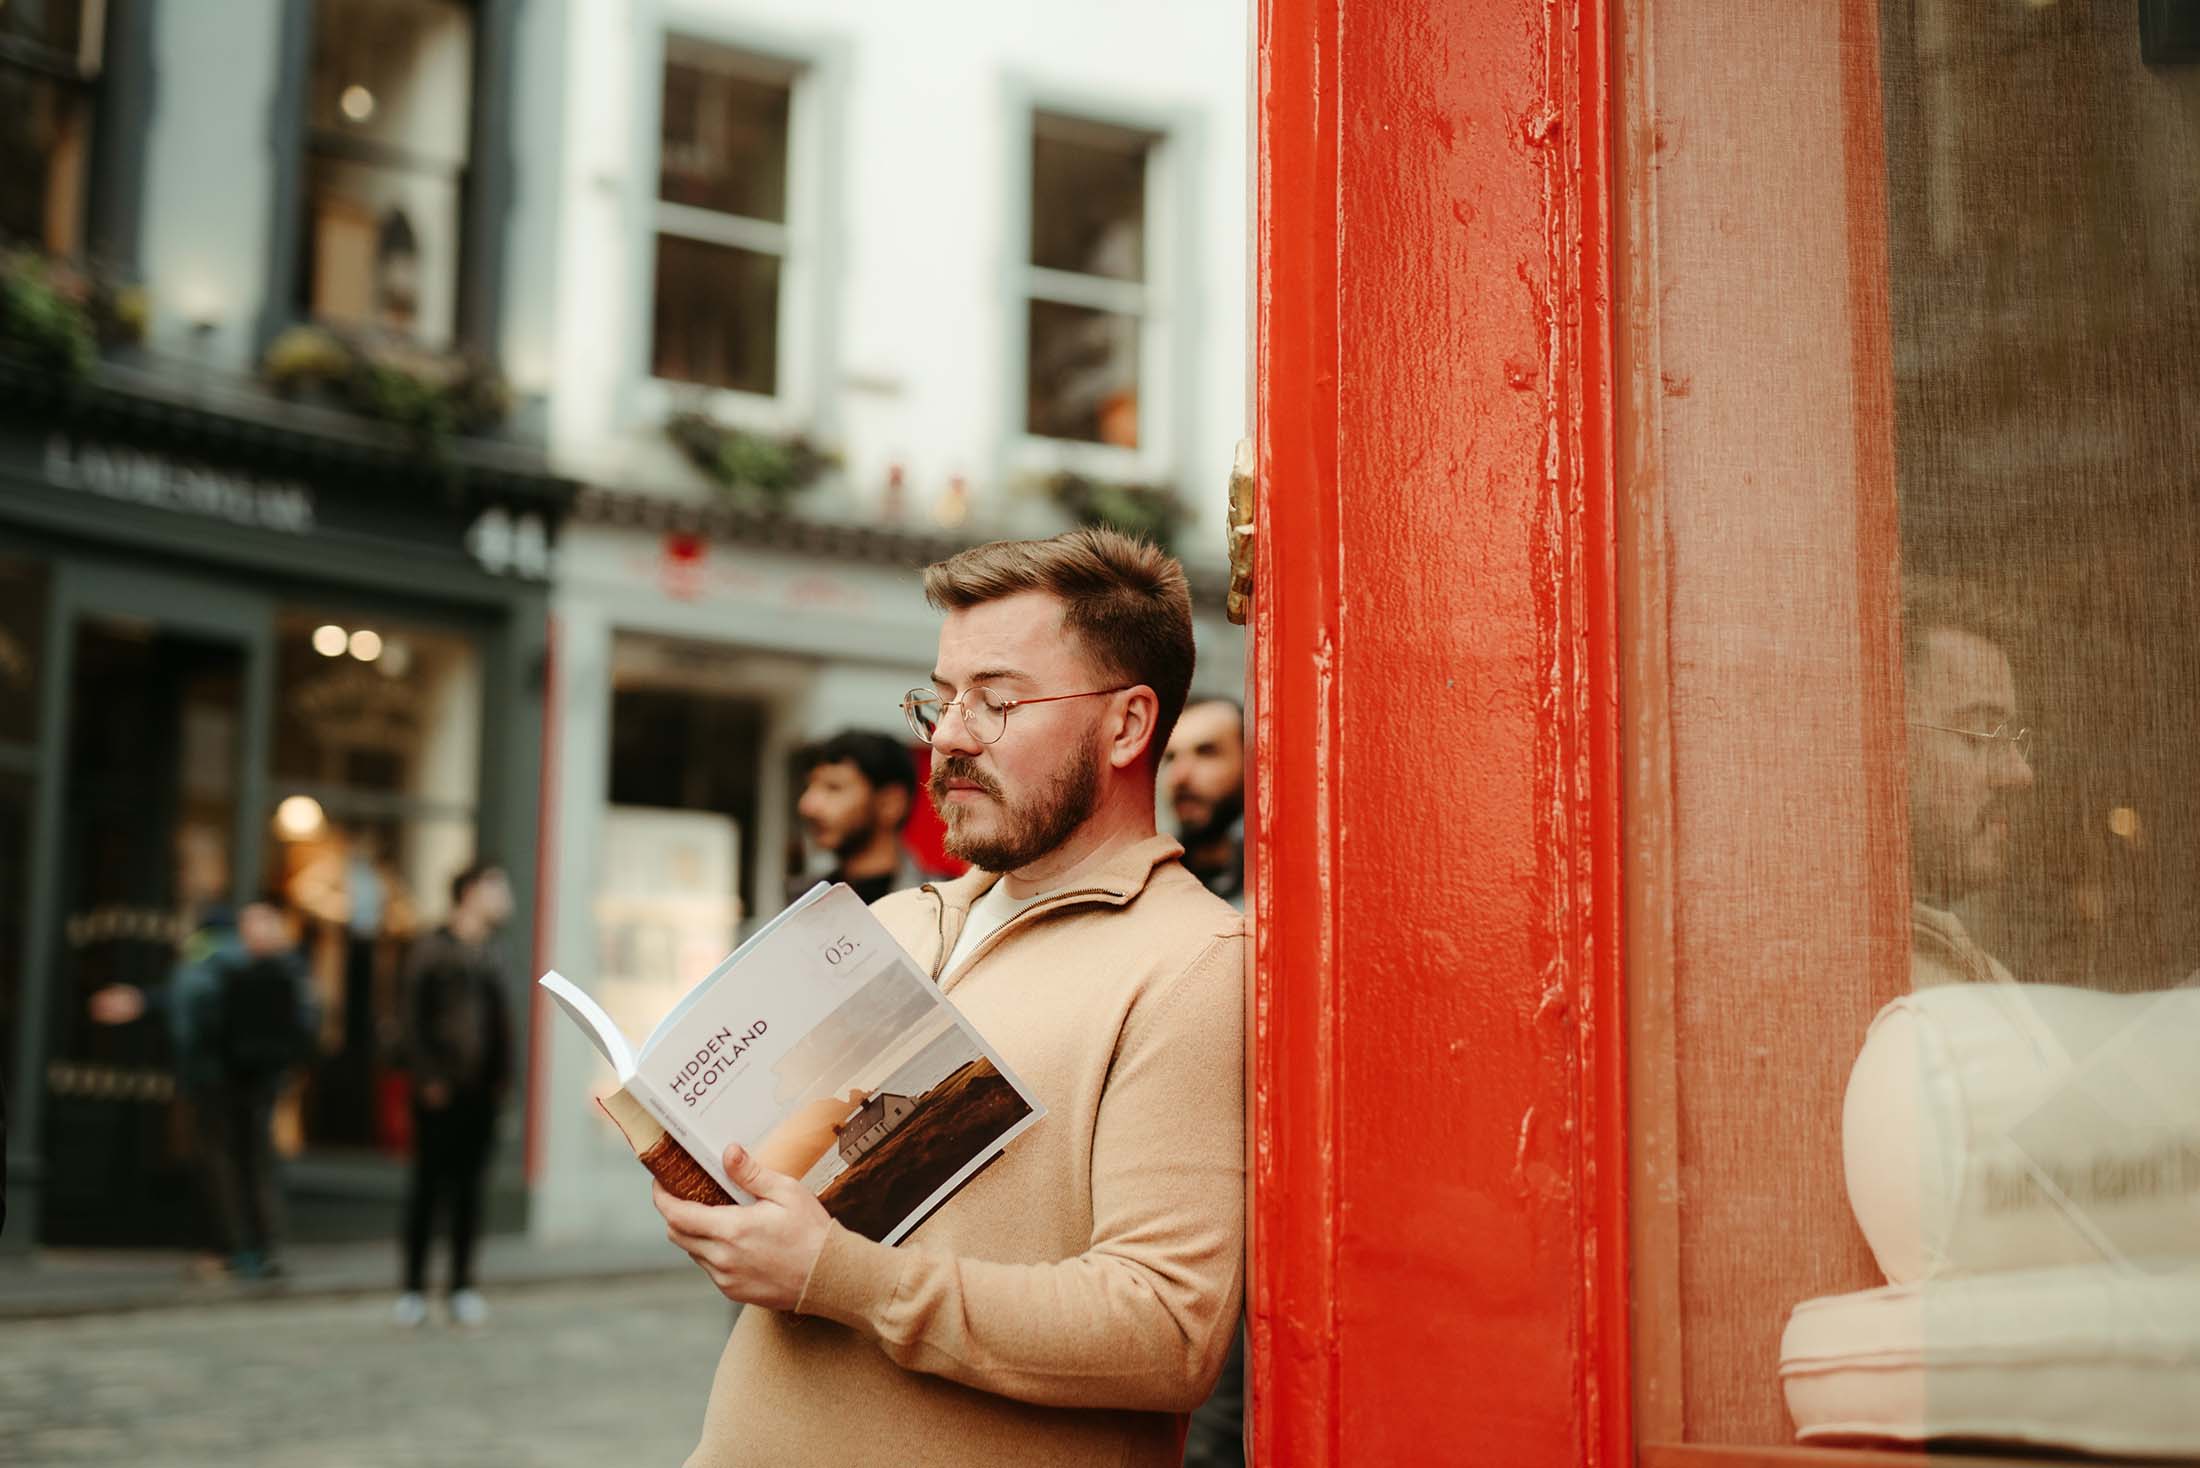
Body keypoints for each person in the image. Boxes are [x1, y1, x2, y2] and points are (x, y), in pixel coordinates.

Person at [653, 528, 1246, 1467]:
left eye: (998, 702)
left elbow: (1168, 1328)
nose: (952, 735)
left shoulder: (1196, 962)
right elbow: (809, 1189)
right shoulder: (891, 922)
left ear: (1129, 725)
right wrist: (726, 1202)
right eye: (942, 699)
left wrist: (837, 1278)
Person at [91, 895, 318, 1280]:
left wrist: (149, 1006)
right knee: (253, 1160)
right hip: (258, 1078)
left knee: (222, 1160)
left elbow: (188, 1007)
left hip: (218, 1078)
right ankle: (258, 1246)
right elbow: (307, 1027)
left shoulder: (217, 959)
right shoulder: (289, 967)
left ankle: (237, 1247)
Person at [1162, 697, 1249, 1467]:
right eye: (1172, 757)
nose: (1184, 775)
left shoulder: (1285, 892)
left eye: (1208, 753)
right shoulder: (1160, 892)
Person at [393, 861, 515, 1329]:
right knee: (427, 1188)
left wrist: (505, 1079)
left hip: (482, 1093)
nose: (506, 898)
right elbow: (410, 1018)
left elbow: (501, 1024)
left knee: (469, 1191)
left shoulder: (494, 952)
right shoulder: (432, 948)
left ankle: (462, 1285)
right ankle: (412, 1289)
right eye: (497, 887)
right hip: (438, 1091)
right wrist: (427, 1078)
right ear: (469, 892)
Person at [1902, 578, 2035, 988]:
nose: (2020, 774)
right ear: (1881, 741)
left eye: (2011, 738)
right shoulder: (1831, 963)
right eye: (1980, 734)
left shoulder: (1984, 976)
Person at [787, 729, 933, 905]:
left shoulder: (942, 904)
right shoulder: (803, 902)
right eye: (810, 787)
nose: (807, 805)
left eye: (833, 787)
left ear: (891, 804)